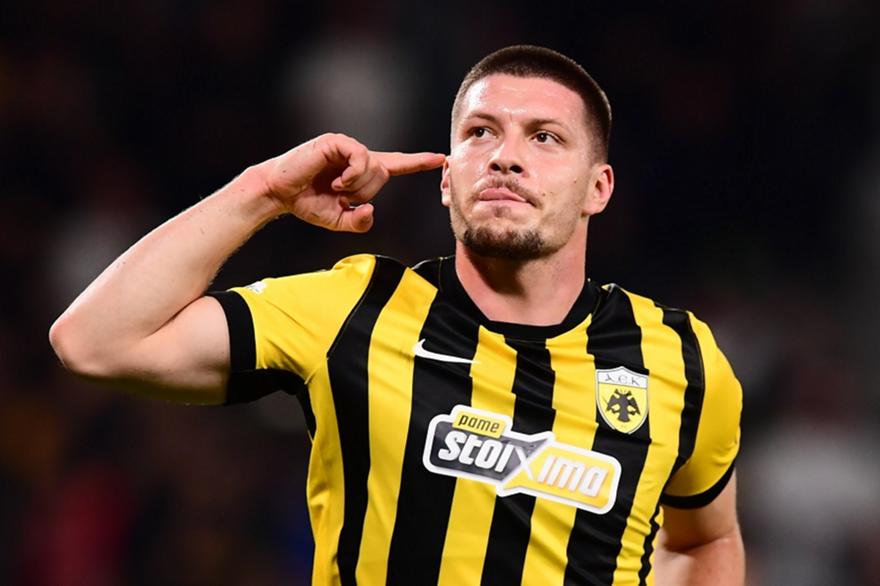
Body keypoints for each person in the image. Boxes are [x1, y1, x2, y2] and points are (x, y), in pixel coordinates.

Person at [50, 45, 744, 585]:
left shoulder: (679, 358)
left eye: (545, 138)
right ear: (447, 178)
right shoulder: (353, 309)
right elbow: (94, 342)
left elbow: (705, 538)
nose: (505, 157)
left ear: (598, 187)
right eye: (481, 132)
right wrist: (264, 190)